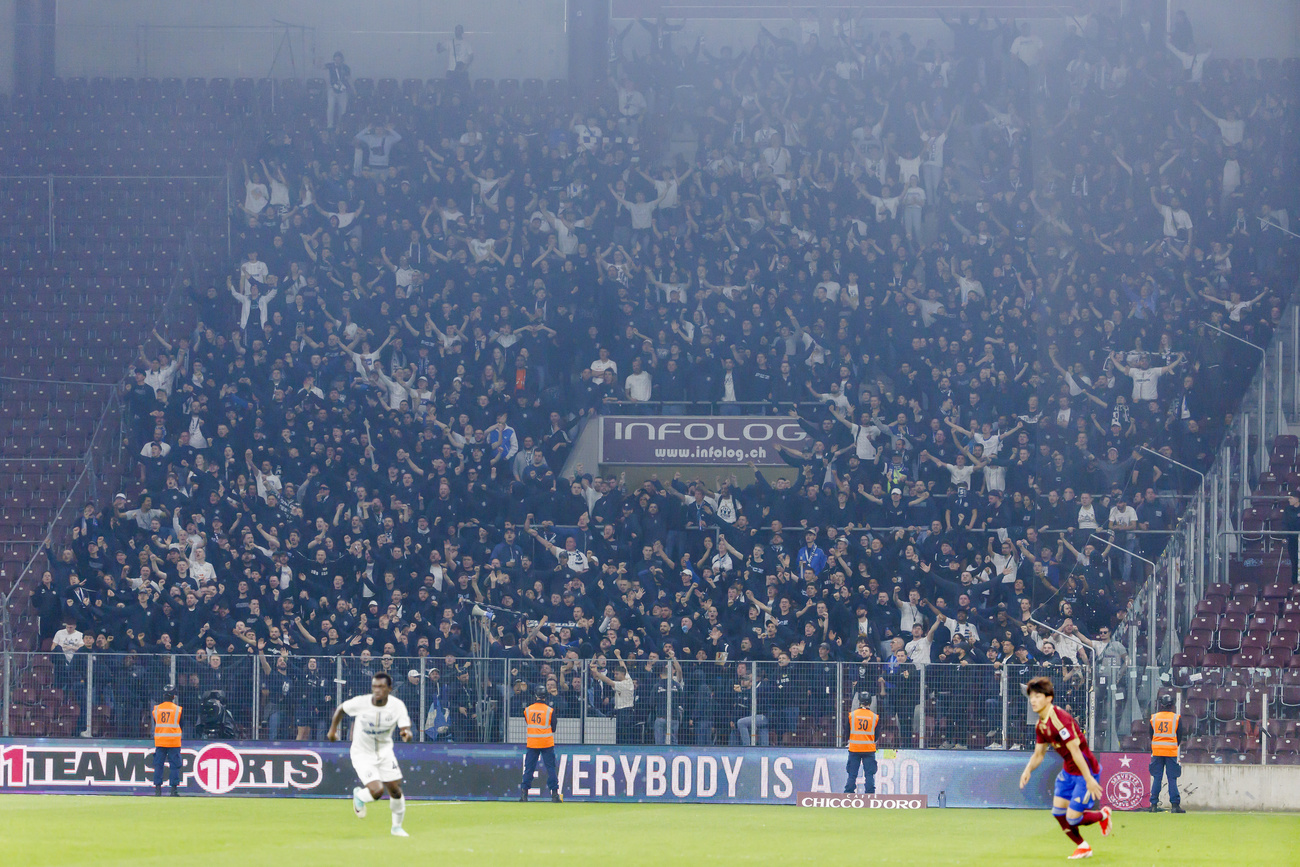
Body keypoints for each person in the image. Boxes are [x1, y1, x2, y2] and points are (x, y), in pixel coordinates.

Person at [1018, 676, 1111, 860]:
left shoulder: (1060, 719)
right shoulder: (1041, 725)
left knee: (1072, 818)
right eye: (1031, 696)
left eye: (1038, 696)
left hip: (1086, 771)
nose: (1033, 700)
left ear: (1049, 698)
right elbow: (1039, 754)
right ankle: (1083, 847)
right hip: (1068, 772)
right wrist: (1027, 770)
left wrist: (1090, 779)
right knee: (1058, 812)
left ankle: (1102, 815)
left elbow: (1076, 752)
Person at [328, 672, 413, 837]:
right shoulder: (361, 702)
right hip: (362, 753)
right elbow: (341, 710)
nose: (377, 690)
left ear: (389, 688)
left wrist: (406, 734)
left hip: (385, 752)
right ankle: (359, 795)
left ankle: (396, 828)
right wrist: (333, 730)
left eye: (381, 687)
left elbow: (405, 728)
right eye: (374, 686)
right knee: (377, 791)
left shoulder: (397, 706)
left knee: (395, 791)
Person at [518, 686, 563, 803]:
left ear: (536, 696)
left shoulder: (528, 710)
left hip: (532, 743)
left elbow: (528, 722)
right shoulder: (549, 710)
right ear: (545, 697)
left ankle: (524, 794)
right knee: (551, 769)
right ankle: (554, 794)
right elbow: (553, 728)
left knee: (529, 769)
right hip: (547, 743)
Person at [1148, 693, 1184, 813]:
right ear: (1172, 705)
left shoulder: (1154, 718)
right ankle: (1174, 805)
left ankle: (1153, 805)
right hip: (1171, 751)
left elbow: (1150, 734)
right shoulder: (1176, 718)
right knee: (1172, 778)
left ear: (1161, 705)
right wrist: (1173, 745)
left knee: (1157, 778)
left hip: (1157, 751)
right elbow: (1180, 736)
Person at [151, 686, 183, 796]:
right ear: (173, 697)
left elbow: (156, 723)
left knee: (158, 764)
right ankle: (173, 790)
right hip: (174, 741)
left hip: (160, 740)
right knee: (174, 765)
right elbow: (181, 724)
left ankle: (157, 790)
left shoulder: (157, 709)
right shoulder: (177, 709)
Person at [844, 694, 878, 794]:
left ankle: (849, 793)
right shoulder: (874, 717)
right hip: (869, 749)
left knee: (852, 773)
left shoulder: (852, 715)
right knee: (869, 774)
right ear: (870, 703)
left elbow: (847, 732)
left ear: (859, 702)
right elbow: (877, 734)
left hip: (854, 748)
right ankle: (870, 794)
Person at [325, 51, 352, 129]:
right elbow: (320, 67)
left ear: (342, 60)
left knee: (343, 109)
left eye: (339, 59)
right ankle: (330, 125)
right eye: (336, 59)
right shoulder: (331, 65)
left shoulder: (346, 68)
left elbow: (349, 79)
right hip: (332, 90)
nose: (337, 61)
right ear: (334, 59)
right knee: (330, 107)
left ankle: (340, 124)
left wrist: (353, 89)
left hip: (343, 90)